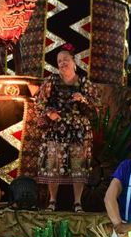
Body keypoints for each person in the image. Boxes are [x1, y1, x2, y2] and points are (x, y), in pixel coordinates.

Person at [35, 48, 96, 212]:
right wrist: (49, 113)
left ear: (74, 62)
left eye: (65, 59)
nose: (62, 63)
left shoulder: (84, 83)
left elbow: (96, 106)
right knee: (53, 163)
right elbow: (39, 102)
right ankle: (52, 201)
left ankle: (77, 202)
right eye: (59, 61)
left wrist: (82, 99)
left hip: (78, 130)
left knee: (78, 165)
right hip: (56, 129)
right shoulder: (51, 81)